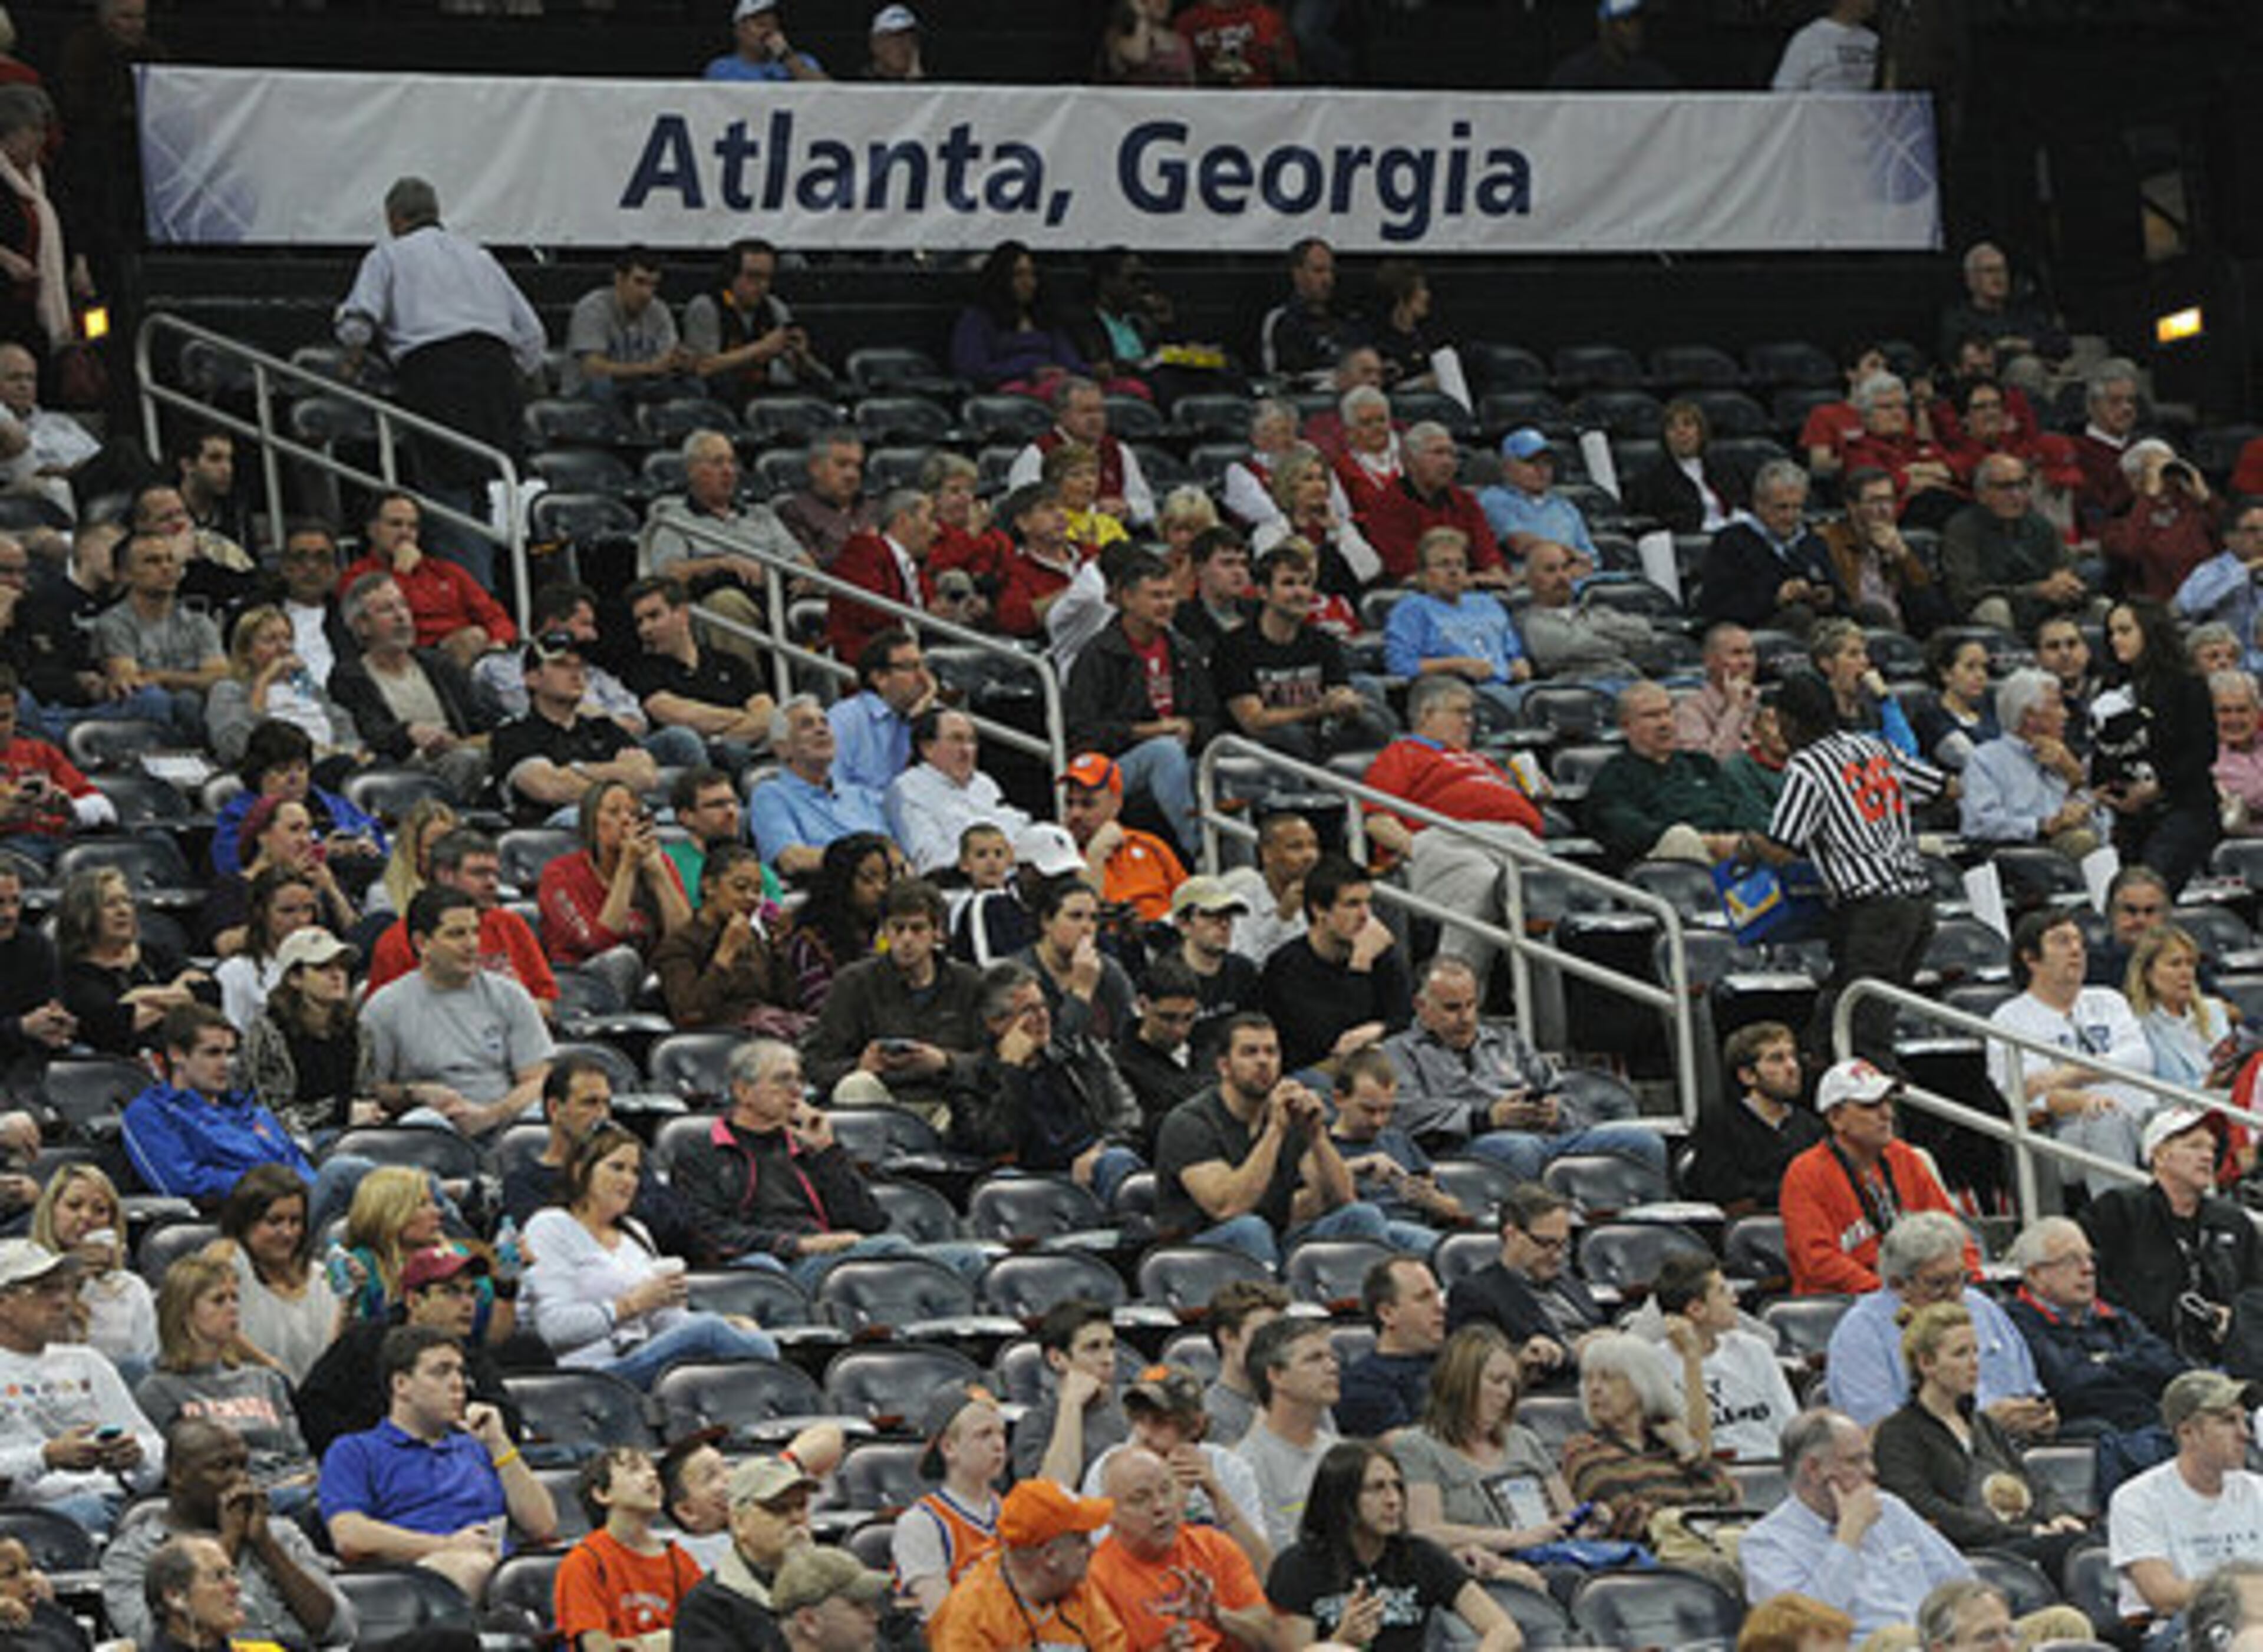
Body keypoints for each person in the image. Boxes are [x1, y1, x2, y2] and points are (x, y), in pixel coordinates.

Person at [334, 177, 543, 588]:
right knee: (499, 497)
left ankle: (474, 601)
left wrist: (351, 360)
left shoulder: (389, 256)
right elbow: (533, 336)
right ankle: (510, 599)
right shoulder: (480, 257)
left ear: (394, 219)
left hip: (436, 378)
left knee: (451, 501)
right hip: (497, 379)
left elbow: (359, 322)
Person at [672, 1037, 984, 1284]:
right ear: (743, 1091)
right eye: (782, 1080)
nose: (796, 1091)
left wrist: (827, 1153)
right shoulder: (702, 1152)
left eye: (799, 1080)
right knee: (892, 1251)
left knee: (968, 1259)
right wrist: (799, 1245)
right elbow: (709, 1234)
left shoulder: (809, 1145)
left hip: (833, 1256)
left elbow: (870, 1222)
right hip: (779, 1265)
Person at [1753, 671, 1945, 1064]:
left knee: (1863, 1039)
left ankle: (1885, 1120)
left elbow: (1781, 847)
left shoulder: (1807, 766)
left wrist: (1744, 846)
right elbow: (1943, 788)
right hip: (1918, 906)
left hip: (1874, 911)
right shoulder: (1873, 748)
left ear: (1788, 721)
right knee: (1832, 1027)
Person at [522, 1123, 776, 1388]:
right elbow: (555, 1329)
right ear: (579, 1172)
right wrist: (629, 1305)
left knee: (742, 1334)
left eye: (635, 1171)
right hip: (593, 1373)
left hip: (644, 1355)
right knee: (711, 1332)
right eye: (617, 1167)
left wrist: (728, 1323)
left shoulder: (635, 1231)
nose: (629, 1180)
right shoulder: (550, 1226)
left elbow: (666, 1322)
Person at [319, 1324, 557, 1599]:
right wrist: (446, 1545)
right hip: (415, 1581)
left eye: (460, 1372)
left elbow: (543, 1526)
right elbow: (349, 1536)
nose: (458, 1384)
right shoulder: (355, 1450)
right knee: (471, 1567)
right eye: (441, 1372)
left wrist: (500, 1443)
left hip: (500, 1569)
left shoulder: (477, 1447)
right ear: (401, 1385)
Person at [1383, 953, 1663, 1178]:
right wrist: (1487, 1117)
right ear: (1421, 1006)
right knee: (1522, 1149)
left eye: (1471, 1005)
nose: (1466, 1018)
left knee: (1644, 1142)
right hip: (1470, 1145)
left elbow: (1564, 1093)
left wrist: (1555, 1112)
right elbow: (1406, 1114)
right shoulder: (1399, 1052)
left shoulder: (1507, 1042)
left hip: (1546, 1137)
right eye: (1452, 1008)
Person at [99, 1416, 353, 1652]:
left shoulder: (279, 1533)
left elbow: (338, 1629)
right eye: (222, 1467)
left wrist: (267, 1546)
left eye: (244, 1466)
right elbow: (152, 1641)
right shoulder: (131, 1554)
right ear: (176, 1474)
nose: (240, 1480)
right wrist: (226, 1545)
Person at [1873, 1299, 2086, 1575]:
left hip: (2015, 1538)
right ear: (1926, 1363)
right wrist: (2020, 1531)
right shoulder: (1898, 1433)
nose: (1974, 1364)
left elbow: (2029, 1480)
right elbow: (1922, 1507)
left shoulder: (1982, 1423)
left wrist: (2057, 1514)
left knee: (2087, 1541)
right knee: (2063, 1550)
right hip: (1962, 1553)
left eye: (1976, 1352)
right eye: (1961, 1354)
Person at [1744, 1411, 1985, 1646]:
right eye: (1854, 1461)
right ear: (1813, 1469)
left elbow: (1960, 1580)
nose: (1872, 1470)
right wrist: (1849, 1536)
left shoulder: (1889, 1508)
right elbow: (1808, 1633)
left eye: (1868, 1458)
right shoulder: (1766, 1543)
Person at [1264, 1440, 1519, 1652]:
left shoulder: (1421, 1555)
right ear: (1342, 1498)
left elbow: (1504, 1630)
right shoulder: (1298, 1566)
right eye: (1377, 1489)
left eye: (1397, 1487)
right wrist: (1342, 1640)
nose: (1394, 1500)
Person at [1820, 1211, 2048, 1434]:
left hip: (2010, 1453)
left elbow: (2031, 1391)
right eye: (1938, 1284)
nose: (1955, 1293)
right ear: (1898, 1285)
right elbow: (1878, 1434)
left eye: (1960, 1278)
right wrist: (1982, 1425)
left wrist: (2042, 1417)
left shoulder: (1982, 1308)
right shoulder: (1861, 1333)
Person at [292, 1244, 523, 1461]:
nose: (468, 1304)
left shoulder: (468, 1355)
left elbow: (509, 1424)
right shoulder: (365, 1342)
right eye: (452, 1291)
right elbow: (313, 1408)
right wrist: (365, 1455)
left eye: (472, 1292)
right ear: (414, 1301)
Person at [1395, 1323, 1585, 1582]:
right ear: (1461, 1381)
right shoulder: (1417, 1447)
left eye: (1511, 1385)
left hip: (1554, 1562)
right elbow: (1425, 1530)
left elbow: (1567, 1514)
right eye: (1496, 1382)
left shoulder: (1524, 1440)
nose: (1506, 1394)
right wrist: (1516, 1540)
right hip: (1482, 1572)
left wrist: (1586, 1523)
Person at [133, 1252, 318, 1515]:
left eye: (235, 1298)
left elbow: (300, 1456)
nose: (232, 1308)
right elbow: (177, 1476)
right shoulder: (158, 1391)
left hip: (296, 1487)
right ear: (184, 1312)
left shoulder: (265, 1379)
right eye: (219, 1300)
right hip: (230, 1501)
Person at [0, 1235, 162, 1532]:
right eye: (45, 1290)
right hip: (30, 1514)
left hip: (113, 1500)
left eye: (65, 1288)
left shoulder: (87, 1361)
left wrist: (135, 1455)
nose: (63, 1301)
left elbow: (156, 1449)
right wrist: (46, 1457)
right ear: (4, 1303)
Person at [364, 886, 553, 1137]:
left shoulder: (510, 994)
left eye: (475, 932)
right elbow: (372, 1090)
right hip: (434, 1127)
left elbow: (538, 1079)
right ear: (422, 943)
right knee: (424, 1122)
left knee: (542, 1118)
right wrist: (415, 1093)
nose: (472, 944)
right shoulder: (385, 1007)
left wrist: (491, 1115)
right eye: (456, 935)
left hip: (504, 1119)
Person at [1987, 906, 2155, 1189]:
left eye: (2079, 942)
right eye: (2062, 942)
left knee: (2194, 1117)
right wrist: (2082, 1100)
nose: (2077, 950)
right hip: (2067, 1132)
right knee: (2104, 1120)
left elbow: (2141, 1059)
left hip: (2144, 1117)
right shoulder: (2009, 1019)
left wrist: (2068, 1073)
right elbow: (2024, 1094)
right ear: (2031, 959)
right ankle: (2121, 1226)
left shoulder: (2108, 1000)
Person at [2083, 1104, 2263, 1362]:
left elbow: (2256, 1290)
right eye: (2194, 1146)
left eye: (2212, 1149)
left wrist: (2235, 1319)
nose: (2208, 1156)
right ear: (2159, 1155)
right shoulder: (2119, 1210)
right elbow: (2094, 1287)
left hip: (2230, 1361)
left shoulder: (2233, 1220)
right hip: (2147, 1360)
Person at [952, 960, 1145, 1200]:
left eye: (1044, 1006)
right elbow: (994, 1145)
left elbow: (1129, 1118)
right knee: (1005, 1185)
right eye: (1029, 1010)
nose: (1043, 1017)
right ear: (996, 1023)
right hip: (1027, 1178)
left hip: (1091, 1166)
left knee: (1117, 1161)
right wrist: (1014, 1072)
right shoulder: (969, 1075)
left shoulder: (1078, 1052)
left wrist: (1100, 1149)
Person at [1781, 1057, 1975, 1295]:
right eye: (1871, 1105)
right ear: (1836, 1118)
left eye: (1888, 1102)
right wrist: (1888, 1292)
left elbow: (1952, 1233)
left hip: (1920, 1295)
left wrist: (1970, 1278)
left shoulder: (1905, 1157)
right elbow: (1818, 1262)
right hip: (1845, 1305)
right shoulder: (1805, 1173)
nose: (1887, 1114)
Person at [804, 876, 984, 1123]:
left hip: (947, 1101)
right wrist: (861, 1065)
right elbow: (815, 1063)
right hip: (882, 1101)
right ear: (885, 931)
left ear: (938, 932)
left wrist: (945, 1062)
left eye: (918, 929)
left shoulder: (969, 982)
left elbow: (994, 1060)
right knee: (856, 1085)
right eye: (898, 928)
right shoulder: (854, 983)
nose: (907, 939)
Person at [2003, 1214, 2186, 1440]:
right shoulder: (2015, 1324)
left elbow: (2172, 1368)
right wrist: (2133, 1367)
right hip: (2089, 1438)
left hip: (2148, 1427)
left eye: (2090, 1258)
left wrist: (2107, 1361)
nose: (2088, 1269)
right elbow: (2072, 1388)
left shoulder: (2114, 1316)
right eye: (2071, 1260)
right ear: (2035, 1275)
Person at [120, 1003, 319, 1208]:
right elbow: (183, 1183)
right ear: (177, 1054)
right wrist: (270, 1184)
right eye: (213, 1053)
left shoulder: (252, 1111)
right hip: (238, 1215)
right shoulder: (151, 1114)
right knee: (343, 1173)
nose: (226, 1064)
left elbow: (299, 1165)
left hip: (299, 1207)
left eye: (230, 1053)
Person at [2107, 1369, 2263, 1627]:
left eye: (2244, 1421)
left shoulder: (2258, 1491)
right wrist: (2245, 1591)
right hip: (2181, 1628)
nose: (2245, 1434)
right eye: (2228, 1421)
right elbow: (2164, 1596)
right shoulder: (2137, 1499)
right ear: (2187, 1432)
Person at [1088, 1443, 1274, 1652]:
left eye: (1166, 1491)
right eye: (1140, 1499)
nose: (1161, 1507)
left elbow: (1271, 1637)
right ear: (1110, 1515)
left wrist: (1218, 1618)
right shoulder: (1096, 1579)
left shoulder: (1215, 1546)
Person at [2094, 596, 2221, 896]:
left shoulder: (2186, 684)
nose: (2116, 640)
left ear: (2149, 631)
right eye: (2112, 633)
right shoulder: (2110, 686)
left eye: (2125, 631)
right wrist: (2105, 788)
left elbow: (2203, 752)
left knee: (2148, 889)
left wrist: (2157, 788)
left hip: (2184, 808)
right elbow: (2104, 748)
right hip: (2129, 818)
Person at [325, 572, 489, 802]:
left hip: (458, 750)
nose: (401, 616)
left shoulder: (438, 664)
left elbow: (478, 718)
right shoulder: (350, 677)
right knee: (467, 760)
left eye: (403, 606)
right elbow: (369, 735)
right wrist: (408, 733)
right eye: (386, 610)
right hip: (403, 769)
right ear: (362, 626)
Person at [1219, 542, 1390, 759]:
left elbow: (1339, 691)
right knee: (1289, 735)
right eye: (1288, 584)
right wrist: (1319, 709)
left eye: (1306, 583)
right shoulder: (1234, 647)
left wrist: (1348, 703)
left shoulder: (1323, 642)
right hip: (1266, 749)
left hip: (1322, 736)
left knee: (1376, 721)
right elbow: (1254, 721)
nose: (1300, 592)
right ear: (1263, 592)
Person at [365, 827, 558, 1015]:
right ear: (445, 875)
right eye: (479, 873)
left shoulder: (511, 925)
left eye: (495, 874)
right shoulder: (398, 942)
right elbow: (384, 1017)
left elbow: (546, 1005)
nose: (492, 883)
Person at [927, 1477, 1127, 1652]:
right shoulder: (969, 1615)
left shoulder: (1080, 1590)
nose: (1092, 1548)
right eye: (1082, 1541)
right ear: (1050, 1556)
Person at [537, 779, 691, 1005]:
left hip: (646, 982)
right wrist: (627, 868)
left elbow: (686, 937)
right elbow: (598, 943)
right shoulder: (560, 874)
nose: (627, 820)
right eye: (614, 812)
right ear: (591, 822)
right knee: (622, 959)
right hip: (579, 981)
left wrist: (659, 874)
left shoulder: (657, 864)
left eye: (633, 813)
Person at [1586, 680, 1770, 868]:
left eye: (1668, 713)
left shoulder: (1701, 764)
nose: (1664, 723)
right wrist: (1708, 842)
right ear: (1626, 726)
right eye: (1652, 716)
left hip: (1729, 849)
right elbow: (1630, 832)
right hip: (1663, 865)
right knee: (1680, 837)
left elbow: (1738, 808)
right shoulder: (1614, 777)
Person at [490, 631, 659, 828]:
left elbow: (646, 776)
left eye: (579, 666)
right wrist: (617, 776)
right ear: (532, 678)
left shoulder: (603, 727)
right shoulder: (514, 733)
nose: (575, 674)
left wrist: (576, 770)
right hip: (549, 834)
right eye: (561, 665)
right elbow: (549, 788)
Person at [1444, 1183, 1605, 1384]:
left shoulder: (1570, 1283)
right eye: (1546, 1244)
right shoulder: (1475, 1294)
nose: (1557, 1256)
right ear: (1512, 1234)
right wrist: (1564, 1354)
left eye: (1563, 1245)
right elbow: (1478, 1370)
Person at [337, 492, 516, 670]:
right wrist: (401, 574)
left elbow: (494, 615)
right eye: (396, 524)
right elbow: (384, 626)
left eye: (412, 527)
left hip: (474, 656)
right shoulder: (357, 577)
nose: (405, 533)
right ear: (372, 530)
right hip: (409, 658)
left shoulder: (445, 571)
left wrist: (499, 641)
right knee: (472, 638)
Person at [1647, 1255, 1799, 1463]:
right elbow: (1693, 1451)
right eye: (1722, 1292)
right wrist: (1692, 1360)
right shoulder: (1654, 1366)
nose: (1734, 1300)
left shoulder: (1755, 1350)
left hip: (1776, 1472)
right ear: (1696, 1310)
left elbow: (1791, 1427)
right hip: (1715, 1481)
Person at [553, 1446, 704, 1648]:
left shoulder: (679, 1561)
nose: (651, 1476)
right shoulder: (585, 1562)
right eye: (635, 1469)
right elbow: (597, 1646)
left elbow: (707, 1637)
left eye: (654, 1471)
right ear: (602, 1494)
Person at [672, 1452, 822, 1652]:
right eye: (778, 1508)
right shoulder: (708, 1608)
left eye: (801, 1506)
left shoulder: (839, 1585)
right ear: (739, 1522)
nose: (796, 1518)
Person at [56, 865, 209, 1054]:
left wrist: (139, 996)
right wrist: (180, 997)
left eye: (127, 901)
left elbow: (209, 991)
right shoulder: (73, 974)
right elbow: (113, 1026)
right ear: (84, 915)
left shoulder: (154, 954)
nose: (123, 911)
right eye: (110, 904)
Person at [625, 575, 776, 766]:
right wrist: (745, 719)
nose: (645, 629)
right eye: (639, 622)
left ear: (682, 614)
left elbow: (768, 713)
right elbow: (678, 715)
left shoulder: (731, 663)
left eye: (654, 616)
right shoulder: (642, 670)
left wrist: (721, 737)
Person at [212, 1163, 339, 1387]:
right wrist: (273, 1369)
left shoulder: (320, 1275)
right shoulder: (227, 1259)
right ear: (245, 1222)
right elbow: (214, 1330)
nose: (288, 1233)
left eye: (295, 1221)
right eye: (274, 1221)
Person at [90, 530, 226, 740]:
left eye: (170, 560)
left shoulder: (199, 623)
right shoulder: (114, 623)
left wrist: (161, 677)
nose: (166, 568)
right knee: (158, 700)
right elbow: (131, 682)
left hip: (194, 714)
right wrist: (191, 680)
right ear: (126, 574)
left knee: (196, 700)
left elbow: (219, 677)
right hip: (141, 716)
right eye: (152, 562)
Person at [652, 843, 799, 1034]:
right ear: (709, 887)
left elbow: (789, 1002)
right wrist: (725, 954)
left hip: (768, 1029)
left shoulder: (753, 938)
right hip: (718, 1042)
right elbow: (690, 1014)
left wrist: (780, 949)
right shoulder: (680, 945)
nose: (751, 898)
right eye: (741, 887)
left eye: (757, 891)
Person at [1684, 1020, 1826, 1213]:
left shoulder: (1811, 1127)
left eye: (1793, 1056)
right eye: (1777, 1059)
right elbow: (1727, 1192)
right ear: (1747, 1076)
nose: (1793, 1067)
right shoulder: (1719, 1122)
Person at [1959, 668, 2099, 859]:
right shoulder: (1985, 760)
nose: (2065, 715)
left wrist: (2076, 778)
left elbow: (2104, 825)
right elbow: (1978, 824)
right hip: (2017, 856)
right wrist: (2043, 825)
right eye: (2057, 705)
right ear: (2030, 716)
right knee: (2083, 842)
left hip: (2072, 850)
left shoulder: (2065, 758)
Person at [30, 1162, 153, 1380]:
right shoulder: (23, 1280)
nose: (86, 1217)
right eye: (74, 1206)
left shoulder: (132, 1288)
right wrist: (69, 1282)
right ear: (51, 1211)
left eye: (100, 1211)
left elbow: (149, 1363)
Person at [1942, 454, 2090, 634]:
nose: (2017, 495)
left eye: (2023, 485)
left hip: (2044, 608)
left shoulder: (2039, 524)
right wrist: (2035, 591)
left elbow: (2065, 564)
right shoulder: (1962, 529)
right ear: (1982, 494)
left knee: (2099, 604)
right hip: (1997, 610)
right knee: (1994, 608)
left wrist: (2065, 578)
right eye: (2005, 488)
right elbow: (1967, 593)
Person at [207, 604, 362, 775]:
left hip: (329, 760)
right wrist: (264, 681)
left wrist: (351, 750)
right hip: (278, 773)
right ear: (246, 652)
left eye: (288, 639)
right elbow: (236, 745)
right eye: (270, 640)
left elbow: (340, 720)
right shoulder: (229, 690)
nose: (284, 648)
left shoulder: (303, 685)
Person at [1231, 1317, 1341, 1554]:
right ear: (1276, 1376)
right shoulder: (1247, 1464)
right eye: (1314, 1359)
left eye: (1332, 1357)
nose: (1332, 1367)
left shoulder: (1340, 1452)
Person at [897, 1383, 1007, 1619]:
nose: (999, 1445)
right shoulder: (921, 1524)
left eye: (1002, 1433)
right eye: (984, 1434)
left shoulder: (1015, 1512)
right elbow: (944, 1619)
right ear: (948, 1448)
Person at [1697, 460, 1845, 635]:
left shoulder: (1813, 542)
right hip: (1755, 631)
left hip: (1821, 629)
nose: (1790, 516)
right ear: (1759, 505)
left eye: (1797, 508)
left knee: (1871, 614)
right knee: (1799, 616)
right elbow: (1717, 607)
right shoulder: (1731, 542)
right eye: (1782, 508)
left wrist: (1827, 598)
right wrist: (1776, 598)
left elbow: (1842, 598)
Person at [749, 698, 890, 880]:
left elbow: (894, 852)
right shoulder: (771, 795)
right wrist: (865, 863)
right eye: (807, 725)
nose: (821, 730)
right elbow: (792, 859)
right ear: (782, 748)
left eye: (825, 723)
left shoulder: (863, 796)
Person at [682, 239, 833, 407]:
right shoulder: (707, 307)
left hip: (765, 392)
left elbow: (818, 375)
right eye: (753, 277)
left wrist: (802, 357)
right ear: (732, 276)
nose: (762, 285)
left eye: (767, 278)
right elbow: (702, 368)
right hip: (721, 399)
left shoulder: (774, 308)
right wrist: (762, 348)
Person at [1361, 424, 1507, 586]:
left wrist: (1496, 576)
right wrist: (1464, 581)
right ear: (1409, 460)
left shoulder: (1466, 501)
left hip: (1470, 588)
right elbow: (1405, 570)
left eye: (1451, 455)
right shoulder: (1387, 505)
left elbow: (1487, 552)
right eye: (1438, 453)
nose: (1447, 462)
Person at [780, 831, 899, 1013]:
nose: (881, 889)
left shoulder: (890, 931)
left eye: (886, 879)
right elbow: (825, 1012)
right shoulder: (811, 943)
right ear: (841, 882)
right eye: (869, 880)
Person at [1818, 465, 1941, 634]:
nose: (1884, 510)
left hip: (1902, 637)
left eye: (1889, 501)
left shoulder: (1899, 546)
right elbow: (1838, 604)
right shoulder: (1829, 541)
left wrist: (1903, 556)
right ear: (1852, 506)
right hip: (1854, 635)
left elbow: (1933, 614)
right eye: (1875, 501)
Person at [1335, 1257, 1447, 1438]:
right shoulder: (1363, 1383)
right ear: (1387, 1314)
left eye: (1438, 1295)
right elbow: (1408, 1451)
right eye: (1424, 1298)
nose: (1440, 1306)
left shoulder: (1460, 1362)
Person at [1477, 427, 1596, 562]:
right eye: (1530, 462)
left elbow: (1591, 557)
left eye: (1546, 462)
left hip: (1574, 578)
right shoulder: (1493, 499)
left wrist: (1583, 565)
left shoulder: (1565, 507)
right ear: (1507, 468)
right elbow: (1519, 543)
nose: (1541, 469)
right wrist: (1572, 557)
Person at [1258, 238, 1355, 388]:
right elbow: (1278, 375)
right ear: (1298, 274)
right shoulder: (1282, 320)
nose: (1327, 279)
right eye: (1319, 271)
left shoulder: (1346, 319)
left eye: (1331, 271)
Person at [1675, 623, 1760, 760]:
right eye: (1736, 654)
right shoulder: (1689, 711)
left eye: (1750, 653)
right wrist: (1735, 710)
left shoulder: (1764, 702)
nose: (1746, 662)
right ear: (1710, 660)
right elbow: (1711, 765)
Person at [705, 0, 827, 79]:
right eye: (761, 25)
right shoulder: (722, 69)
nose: (768, 32)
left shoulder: (803, 62)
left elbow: (829, 95)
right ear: (739, 31)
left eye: (773, 25)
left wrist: (787, 57)